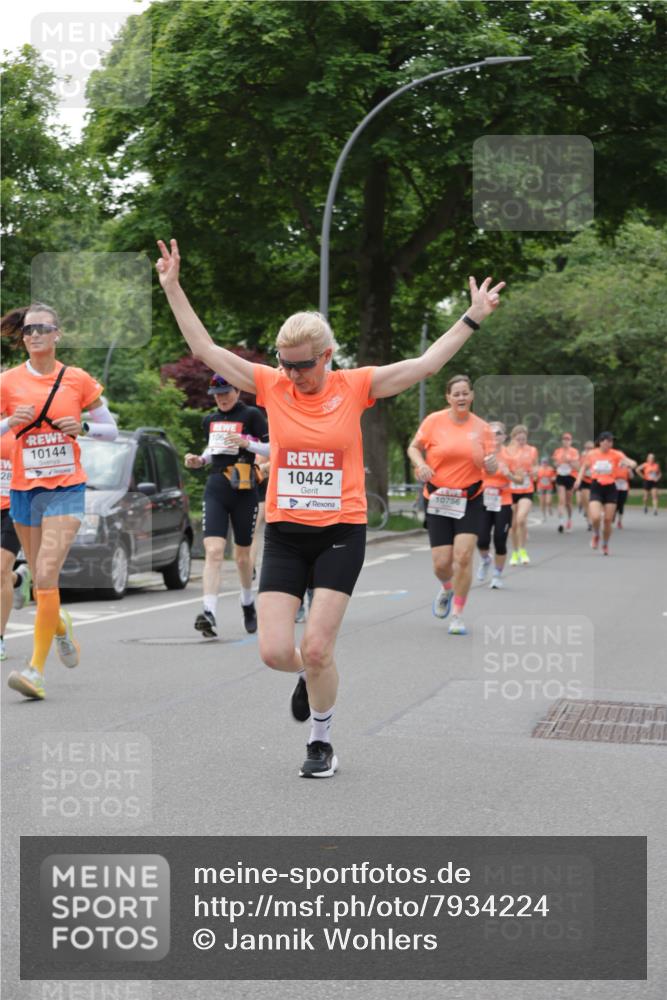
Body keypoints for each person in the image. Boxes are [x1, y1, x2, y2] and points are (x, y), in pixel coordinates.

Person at [156, 237, 504, 777]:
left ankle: (321, 741)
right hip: (288, 531)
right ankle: (306, 676)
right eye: (284, 365)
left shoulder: (355, 385)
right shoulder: (272, 386)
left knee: (317, 648)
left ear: (326, 356)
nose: (293, 375)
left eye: (303, 366)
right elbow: (206, 350)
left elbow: (427, 364)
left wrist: (472, 317)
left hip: (342, 529)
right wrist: (173, 287)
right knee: (276, 652)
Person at [0, 303, 118, 700]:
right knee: (40, 584)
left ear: (57, 334)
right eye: (28, 329)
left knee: (46, 575)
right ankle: (62, 625)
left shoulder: (77, 379)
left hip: (66, 488)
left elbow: (111, 429)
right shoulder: (7, 382)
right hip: (23, 490)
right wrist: (9, 423)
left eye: (42, 328)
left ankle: (35, 671)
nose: (34, 335)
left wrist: (83, 426)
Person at [407, 375, 496, 633]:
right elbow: (414, 447)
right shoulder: (434, 421)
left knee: (464, 557)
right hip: (438, 499)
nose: (461, 397)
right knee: (441, 563)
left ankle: (457, 613)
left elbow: (491, 462)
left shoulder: (483, 428)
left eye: (465, 393)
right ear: (448, 397)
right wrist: (421, 464)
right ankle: (447, 588)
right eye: (456, 393)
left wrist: (491, 464)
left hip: (470, 498)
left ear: (472, 396)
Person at [184, 375, 268, 638]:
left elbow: (273, 448)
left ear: (237, 390)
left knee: (242, 557)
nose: (221, 397)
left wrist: (248, 444)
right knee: (214, 550)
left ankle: (247, 602)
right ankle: (208, 612)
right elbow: (214, 449)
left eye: (226, 392)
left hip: (244, 488)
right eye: (216, 393)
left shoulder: (252, 415)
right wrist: (200, 460)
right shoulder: (210, 420)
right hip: (216, 487)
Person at [572, 432, 635, 555]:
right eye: (608, 441)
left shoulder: (616, 454)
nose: (610, 443)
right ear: (601, 442)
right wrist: (578, 480)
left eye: (611, 441)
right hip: (596, 487)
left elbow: (632, 463)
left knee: (607, 520)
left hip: (611, 488)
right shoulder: (592, 454)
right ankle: (596, 534)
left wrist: (628, 464)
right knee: (595, 517)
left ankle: (605, 544)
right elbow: (584, 467)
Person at [0, 432, 32, 661]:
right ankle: (18, 580)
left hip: (15, 508)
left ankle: (0, 638)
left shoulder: (21, 426)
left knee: (0, 570)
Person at [475, 421, 513, 590]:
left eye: (497, 433)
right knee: (482, 539)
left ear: (504, 436)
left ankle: (497, 574)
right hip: (483, 499)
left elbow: (520, 478)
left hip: (503, 500)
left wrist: (509, 473)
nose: (494, 436)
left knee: (500, 540)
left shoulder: (510, 455)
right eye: (490, 433)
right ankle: (485, 560)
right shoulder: (480, 454)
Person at [505, 425, 539, 565]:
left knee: (521, 519)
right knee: (513, 525)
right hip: (511, 491)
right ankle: (514, 552)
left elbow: (536, 467)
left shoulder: (532, 450)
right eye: (518, 439)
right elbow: (503, 468)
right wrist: (511, 475)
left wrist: (534, 472)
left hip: (526, 489)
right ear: (513, 438)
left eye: (523, 439)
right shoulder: (507, 452)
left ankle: (523, 550)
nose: (521, 441)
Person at [552, 432, 580, 533]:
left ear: (571, 441)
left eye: (568, 439)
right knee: (561, 501)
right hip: (560, 477)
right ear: (562, 441)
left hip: (570, 477)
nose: (566, 441)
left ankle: (569, 520)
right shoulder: (557, 451)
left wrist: (569, 461)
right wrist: (558, 463)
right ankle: (561, 522)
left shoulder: (574, 452)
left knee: (568, 502)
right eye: (564, 439)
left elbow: (577, 467)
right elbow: (554, 464)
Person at [577, 440, 595, 527]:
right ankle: (589, 521)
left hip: (595, 481)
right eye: (587, 448)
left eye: (591, 448)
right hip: (585, 480)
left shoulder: (597, 456)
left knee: (593, 501)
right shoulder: (582, 456)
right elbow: (579, 468)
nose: (589, 450)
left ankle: (591, 516)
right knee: (587, 501)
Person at [536, 456, 556, 522]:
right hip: (540, 487)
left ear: (547, 463)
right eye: (543, 462)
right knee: (542, 502)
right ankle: (543, 516)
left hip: (549, 487)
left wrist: (553, 478)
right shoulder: (538, 469)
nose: (544, 464)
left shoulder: (551, 469)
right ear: (541, 463)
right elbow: (535, 478)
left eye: (545, 462)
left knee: (548, 501)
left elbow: (554, 477)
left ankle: (549, 507)